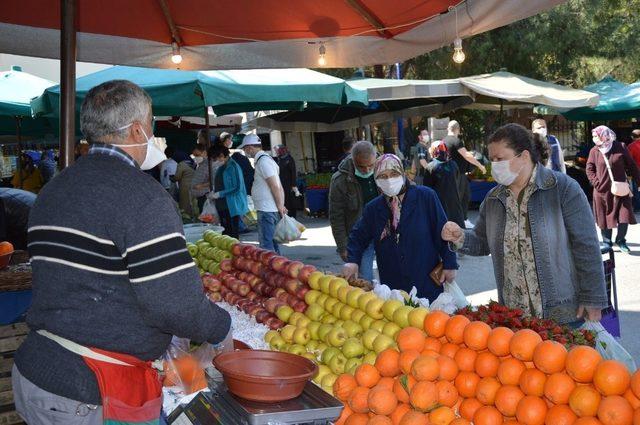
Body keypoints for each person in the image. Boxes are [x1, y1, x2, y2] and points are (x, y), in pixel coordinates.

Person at [12, 80, 232, 425]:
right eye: (152, 122)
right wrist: (222, 327)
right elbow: (175, 305)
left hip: (37, 374)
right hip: (90, 391)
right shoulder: (142, 196)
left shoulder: (54, 189)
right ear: (137, 129)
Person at [441, 123, 608, 325]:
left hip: (561, 313)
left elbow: (587, 246)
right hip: (514, 317)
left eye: (499, 159)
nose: (494, 165)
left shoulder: (563, 189)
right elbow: (483, 242)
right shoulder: (493, 199)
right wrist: (460, 237)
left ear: (524, 157)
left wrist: (593, 298)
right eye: (492, 159)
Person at [343, 154, 458, 300]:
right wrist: (352, 260)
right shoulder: (373, 208)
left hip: (425, 278)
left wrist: (450, 263)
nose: (389, 180)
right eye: (382, 176)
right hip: (393, 285)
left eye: (394, 174)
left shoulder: (426, 197)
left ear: (403, 173)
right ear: (376, 180)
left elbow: (444, 231)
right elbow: (357, 236)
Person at [586, 125, 640, 253]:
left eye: (596, 135)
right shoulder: (594, 150)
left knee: (624, 216)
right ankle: (606, 242)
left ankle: (621, 240)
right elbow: (589, 169)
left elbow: (631, 165)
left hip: (621, 190)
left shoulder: (620, 146)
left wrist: (639, 182)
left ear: (605, 135)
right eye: (593, 136)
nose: (594, 138)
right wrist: (597, 183)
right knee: (604, 217)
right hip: (602, 192)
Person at [329, 141, 378, 281]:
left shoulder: (384, 169)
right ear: (353, 160)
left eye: (371, 165)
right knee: (364, 281)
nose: (368, 170)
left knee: (392, 278)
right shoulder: (340, 180)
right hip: (360, 237)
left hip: (385, 233)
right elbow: (336, 216)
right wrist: (343, 246)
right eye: (362, 167)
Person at [240, 134, 287, 253]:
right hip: (269, 208)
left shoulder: (263, 162)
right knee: (272, 243)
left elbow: (275, 185)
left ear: (250, 147)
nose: (245, 152)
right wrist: (281, 204)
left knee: (267, 245)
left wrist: (280, 205)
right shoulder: (264, 160)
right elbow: (278, 186)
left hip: (267, 210)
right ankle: (278, 269)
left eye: (245, 149)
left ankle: (271, 270)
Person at [443, 120, 486, 219]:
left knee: (464, 196)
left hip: (449, 174)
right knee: (460, 198)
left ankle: (459, 220)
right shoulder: (456, 141)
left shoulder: (444, 141)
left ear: (448, 129)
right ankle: (459, 221)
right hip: (457, 175)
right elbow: (467, 155)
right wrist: (480, 166)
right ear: (457, 129)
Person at [207, 145, 249, 239]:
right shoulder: (222, 167)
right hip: (221, 205)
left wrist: (219, 194)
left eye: (215, 158)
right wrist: (214, 192)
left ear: (222, 155)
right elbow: (221, 183)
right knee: (225, 233)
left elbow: (237, 187)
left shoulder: (233, 167)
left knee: (232, 234)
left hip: (231, 205)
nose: (214, 161)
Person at [423, 141, 465, 229]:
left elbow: (427, 189)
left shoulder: (431, 167)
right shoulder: (454, 165)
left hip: (439, 207)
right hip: (454, 206)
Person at [275, 145, 303, 219]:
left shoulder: (289, 159)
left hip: (289, 185)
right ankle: (285, 218)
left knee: (290, 203)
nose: (277, 152)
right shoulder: (279, 159)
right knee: (284, 202)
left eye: (278, 150)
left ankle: (292, 218)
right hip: (281, 184)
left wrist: (293, 185)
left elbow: (293, 172)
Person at [172, 150, 197, 216]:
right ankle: (194, 216)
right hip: (194, 185)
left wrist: (172, 178)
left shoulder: (181, 164)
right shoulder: (193, 162)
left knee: (185, 203)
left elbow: (177, 177)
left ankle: (187, 217)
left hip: (185, 186)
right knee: (192, 202)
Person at [628, 129, 640, 211]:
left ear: (632, 137)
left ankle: (637, 208)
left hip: (636, 172)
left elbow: (629, 161)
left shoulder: (631, 146)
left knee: (637, 190)